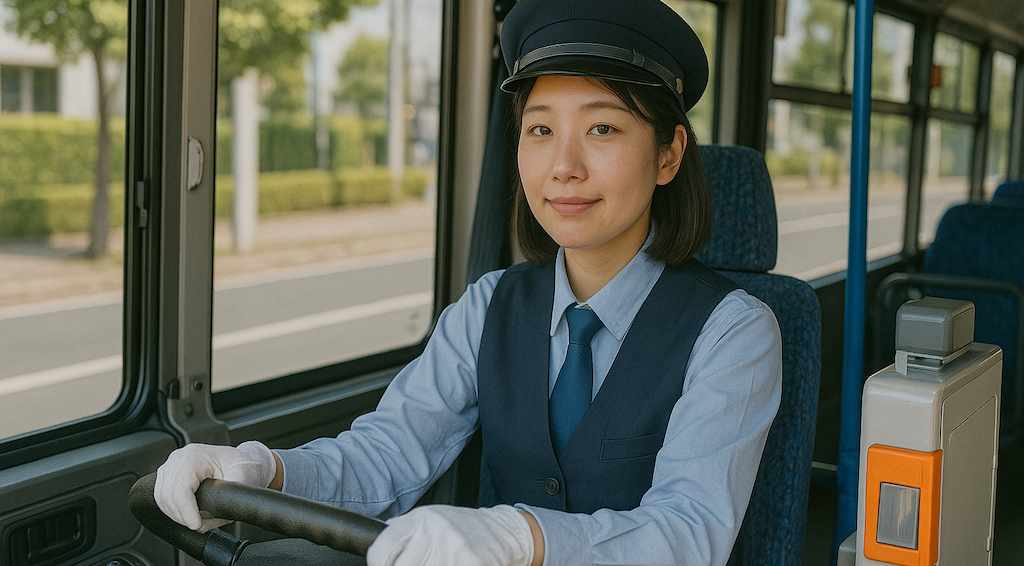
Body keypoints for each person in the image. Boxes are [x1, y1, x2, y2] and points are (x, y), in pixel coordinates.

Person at [154, 0, 783, 564]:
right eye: (540, 130)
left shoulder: (734, 329)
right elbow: (389, 455)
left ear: (669, 154)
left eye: (602, 128)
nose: (563, 167)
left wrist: (519, 538)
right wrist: (262, 472)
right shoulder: (488, 306)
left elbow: (687, 534)